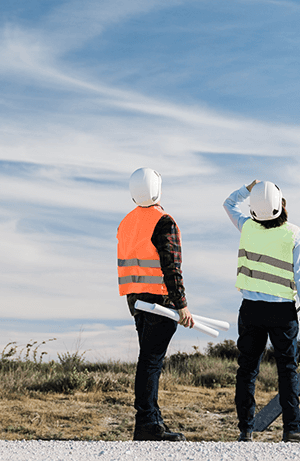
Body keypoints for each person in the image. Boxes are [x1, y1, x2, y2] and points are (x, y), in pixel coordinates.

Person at [223, 180, 300, 443]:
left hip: (251, 309)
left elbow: (228, 204)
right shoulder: (293, 233)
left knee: (247, 369)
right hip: (282, 312)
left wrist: (246, 189)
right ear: (281, 204)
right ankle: (292, 429)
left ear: (253, 208)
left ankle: (245, 430)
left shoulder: (246, 227)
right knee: (287, 370)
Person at [117, 167, 195, 442]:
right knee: (151, 362)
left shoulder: (126, 223)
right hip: (158, 300)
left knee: (148, 360)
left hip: (136, 300)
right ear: (158, 190)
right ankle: (147, 423)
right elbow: (171, 267)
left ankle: (152, 420)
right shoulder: (163, 221)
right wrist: (182, 305)